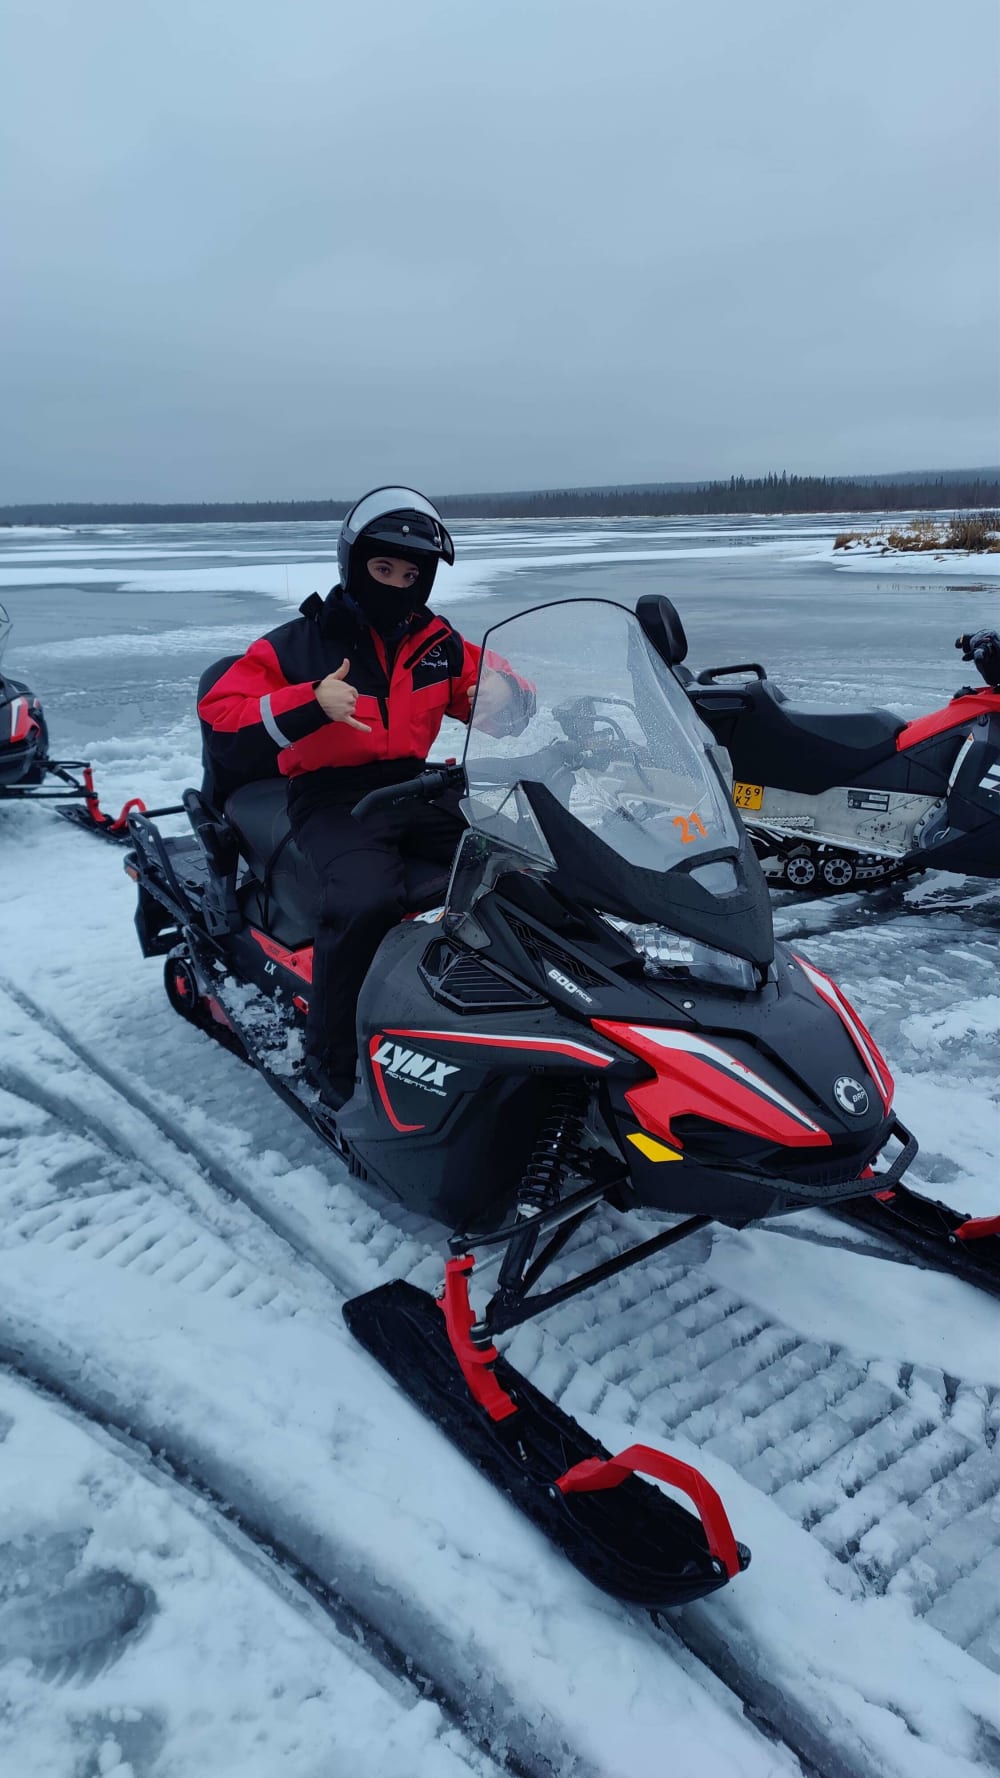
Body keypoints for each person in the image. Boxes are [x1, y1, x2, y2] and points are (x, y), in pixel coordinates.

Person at [198, 487, 530, 1107]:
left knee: (516, 867)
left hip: (416, 785)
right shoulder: (298, 643)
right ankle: (334, 1060)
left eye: (412, 574)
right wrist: (309, 703)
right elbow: (222, 713)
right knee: (367, 899)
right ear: (354, 566)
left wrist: (512, 698)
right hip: (331, 796)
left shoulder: (437, 643)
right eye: (383, 570)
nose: (398, 586)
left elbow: (491, 687)